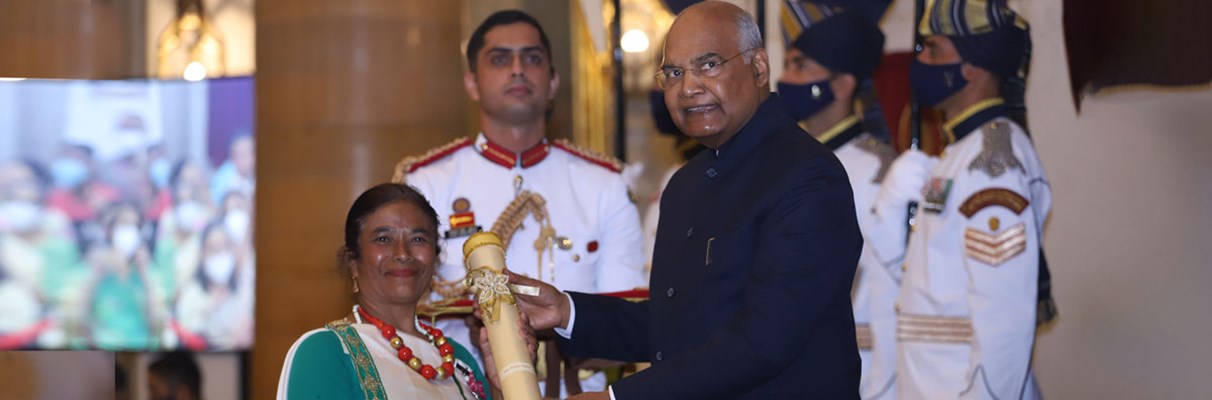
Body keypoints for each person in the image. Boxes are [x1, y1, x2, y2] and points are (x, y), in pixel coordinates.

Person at [509, 2, 864, 398]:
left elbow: (763, 343)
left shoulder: (807, 177)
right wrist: (567, 311)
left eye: (708, 64)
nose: (688, 87)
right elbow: (677, 326)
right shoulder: (686, 184)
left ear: (759, 68)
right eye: (674, 73)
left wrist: (619, 397)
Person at [392, 9, 645, 395]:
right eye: (499, 59)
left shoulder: (604, 185)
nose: (517, 69)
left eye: (532, 57)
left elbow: (628, 322)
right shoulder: (426, 183)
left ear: (553, 80)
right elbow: (405, 320)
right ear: (471, 83)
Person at [872, 0, 1050, 398]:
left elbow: (1004, 316)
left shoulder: (993, 162)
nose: (921, 61)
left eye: (933, 49)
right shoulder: (959, 154)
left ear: (972, 66)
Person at [278, 183, 533, 399]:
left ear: (435, 260)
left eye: (418, 239)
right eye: (383, 239)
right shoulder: (325, 352)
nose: (402, 253)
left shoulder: (458, 359)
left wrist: (501, 389)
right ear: (353, 263)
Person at [776, 2, 901, 398]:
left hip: (862, 371)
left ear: (842, 84)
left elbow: (890, 290)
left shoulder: (883, 172)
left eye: (800, 66)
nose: (784, 78)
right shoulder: (777, 163)